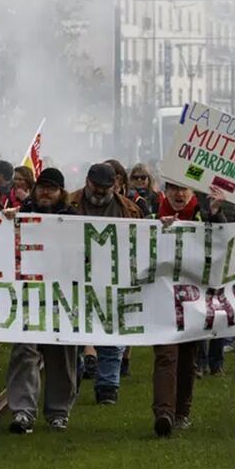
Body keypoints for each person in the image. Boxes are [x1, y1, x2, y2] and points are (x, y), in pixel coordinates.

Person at [4, 168, 78, 433]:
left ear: (61, 192)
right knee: (24, 351)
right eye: (42, 187)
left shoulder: (73, 220)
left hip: (61, 296)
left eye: (52, 188)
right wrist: (7, 221)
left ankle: (59, 411)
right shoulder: (20, 214)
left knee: (61, 354)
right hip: (28, 294)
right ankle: (23, 410)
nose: (46, 192)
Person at [153, 182, 227, 436]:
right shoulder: (153, 214)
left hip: (193, 301)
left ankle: (181, 412)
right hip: (162, 299)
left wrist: (216, 212)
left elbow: (222, 240)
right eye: (174, 188)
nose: (179, 194)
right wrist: (158, 230)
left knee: (187, 359)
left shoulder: (203, 215)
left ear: (194, 193)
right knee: (165, 355)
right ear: (166, 191)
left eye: (185, 189)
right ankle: (164, 412)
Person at [68, 163, 143, 405]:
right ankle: (74, 380)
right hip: (76, 277)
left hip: (115, 279)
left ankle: (108, 387)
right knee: (75, 332)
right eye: (96, 187)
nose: (99, 192)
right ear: (87, 182)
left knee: (112, 332)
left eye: (105, 188)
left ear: (115, 185)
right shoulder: (69, 204)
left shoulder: (129, 210)